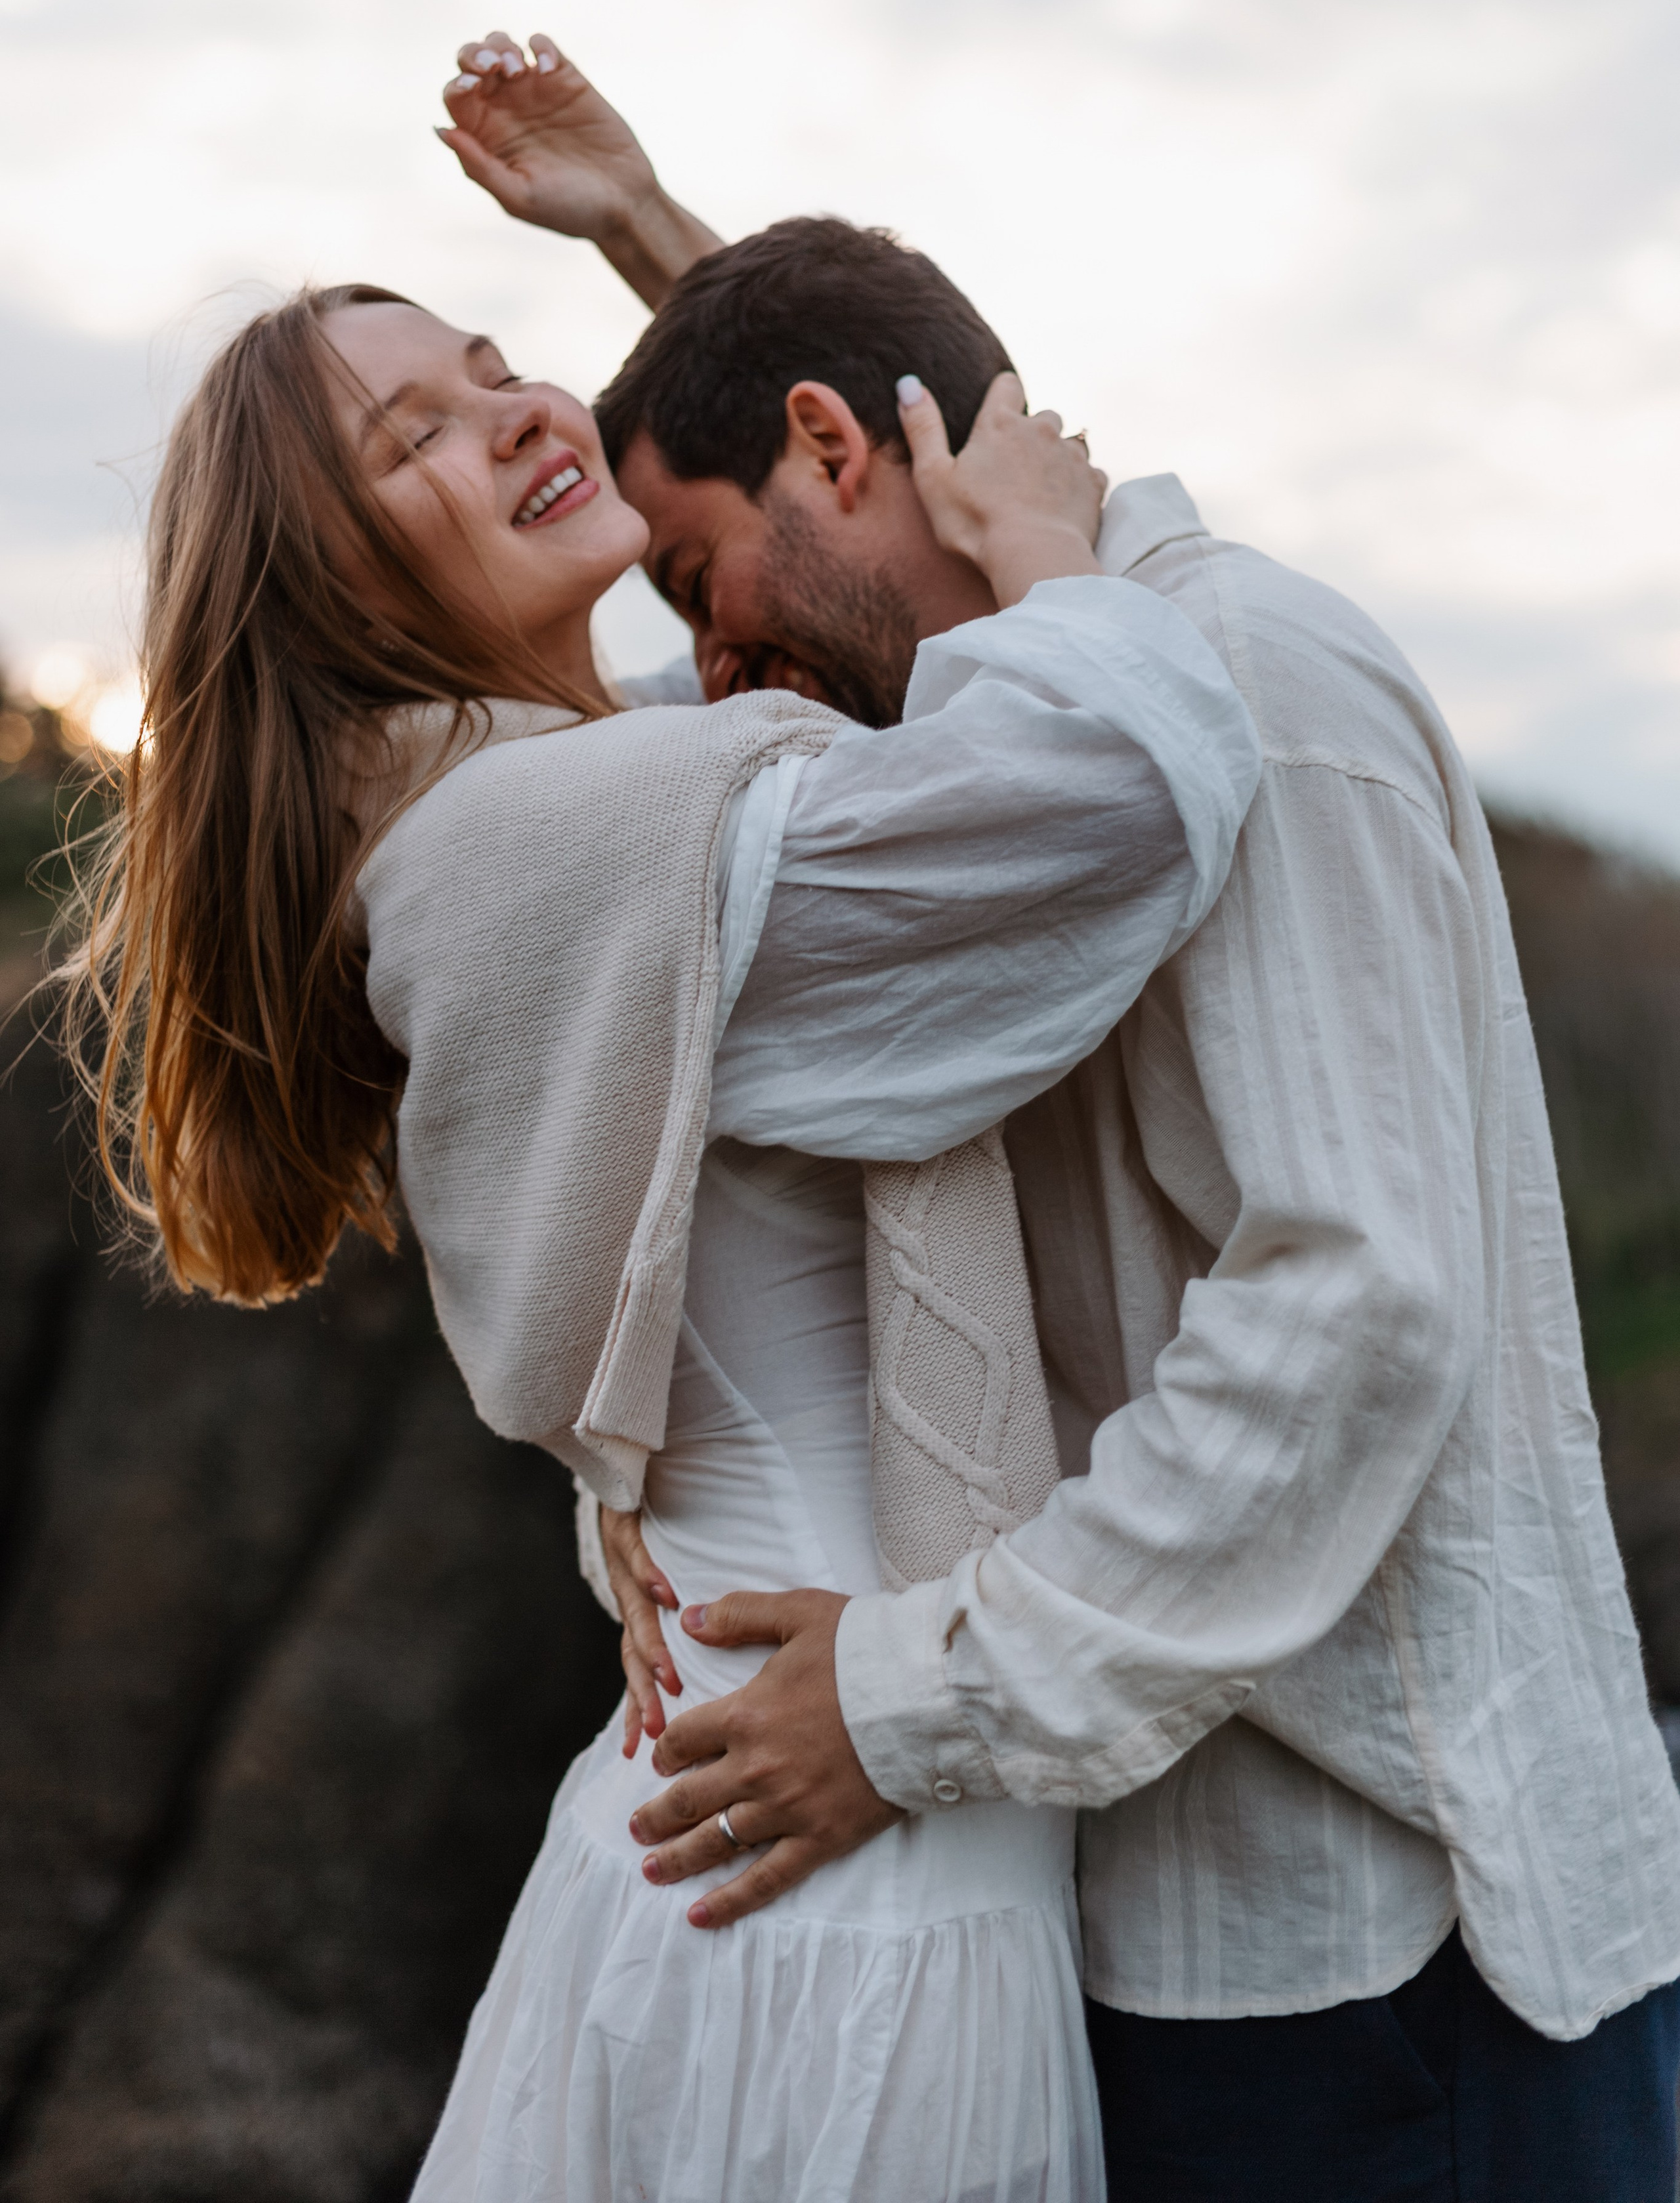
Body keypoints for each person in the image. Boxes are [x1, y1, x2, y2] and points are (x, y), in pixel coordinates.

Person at [437, 29, 1680, 2202]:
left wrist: (898, 1704)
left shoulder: (1256, 704)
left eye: (700, 598)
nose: (713, 680)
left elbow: (1350, 1320)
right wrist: (658, 247)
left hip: (1384, 1960)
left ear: (828, 455)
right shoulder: (984, 735)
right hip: (1167, 1922)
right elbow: (862, 447)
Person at [66, 266, 1261, 2200]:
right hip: (846, 1864)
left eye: (492, 368)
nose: (525, 411)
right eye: (417, 437)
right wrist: (1056, 562)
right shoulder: (565, 836)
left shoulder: (515, 816)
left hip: (738, 1805)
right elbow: (1123, 794)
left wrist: (642, 226)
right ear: (332, 588)